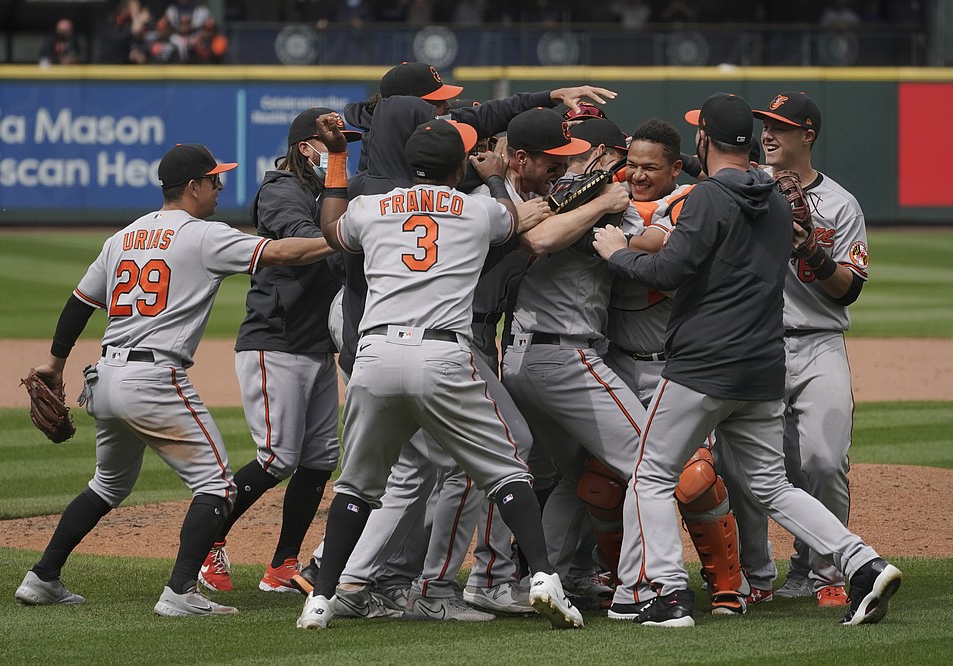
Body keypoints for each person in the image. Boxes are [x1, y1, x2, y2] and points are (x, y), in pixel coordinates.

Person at [591, 92, 901, 628]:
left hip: (705, 362)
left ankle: (665, 594)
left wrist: (615, 254)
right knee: (772, 485)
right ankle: (861, 562)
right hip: (763, 365)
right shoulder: (780, 199)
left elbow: (668, 272)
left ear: (704, 139)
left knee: (650, 474)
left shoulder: (709, 197)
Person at [13, 143, 329, 616]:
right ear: (193, 187)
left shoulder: (124, 236)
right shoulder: (201, 235)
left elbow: (81, 301)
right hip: (154, 380)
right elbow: (283, 251)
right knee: (218, 486)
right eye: (215, 180)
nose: (220, 188)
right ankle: (180, 591)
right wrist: (347, 236)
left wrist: (55, 363)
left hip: (104, 378)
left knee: (107, 485)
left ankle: (42, 577)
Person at [297, 114, 584, 631]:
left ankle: (320, 600)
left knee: (357, 487)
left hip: (376, 355)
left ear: (412, 166)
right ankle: (543, 577)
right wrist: (495, 173)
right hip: (444, 356)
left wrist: (338, 159)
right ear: (458, 167)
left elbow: (330, 229)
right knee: (506, 471)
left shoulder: (372, 208)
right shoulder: (477, 211)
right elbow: (514, 219)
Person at [197, 109, 359, 595]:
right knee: (276, 457)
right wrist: (354, 236)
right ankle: (208, 541)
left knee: (319, 458)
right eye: (328, 144)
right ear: (304, 146)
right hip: (275, 339)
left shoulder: (327, 192)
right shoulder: (280, 188)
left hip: (314, 343)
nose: (336, 151)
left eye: (343, 144)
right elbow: (303, 238)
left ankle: (282, 564)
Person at [723, 91, 871, 606]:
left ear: (807, 135)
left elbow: (849, 288)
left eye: (781, 127)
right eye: (765, 125)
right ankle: (758, 572)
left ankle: (827, 570)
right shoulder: (742, 188)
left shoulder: (840, 204)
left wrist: (810, 247)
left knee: (823, 461)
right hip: (754, 342)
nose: (768, 134)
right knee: (742, 467)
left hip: (817, 343)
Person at [600, 117, 748, 617]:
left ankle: (729, 583)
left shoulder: (685, 201)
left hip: (672, 365)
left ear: (674, 167)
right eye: (632, 165)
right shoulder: (609, 192)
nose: (639, 175)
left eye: (651, 167)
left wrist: (616, 231)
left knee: (693, 478)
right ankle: (622, 582)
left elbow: (656, 245)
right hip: (616, 361)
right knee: (601, 480)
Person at [499, 109, 644, 605]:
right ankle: (643, 587)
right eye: (618, 157)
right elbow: (540, 238)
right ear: (601, 155)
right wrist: (606, 198)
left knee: (574, 474)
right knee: (651, 461)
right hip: (562, 357)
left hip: (521, 358)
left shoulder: (537, 197)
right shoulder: (582, 201)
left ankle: (542, 580)